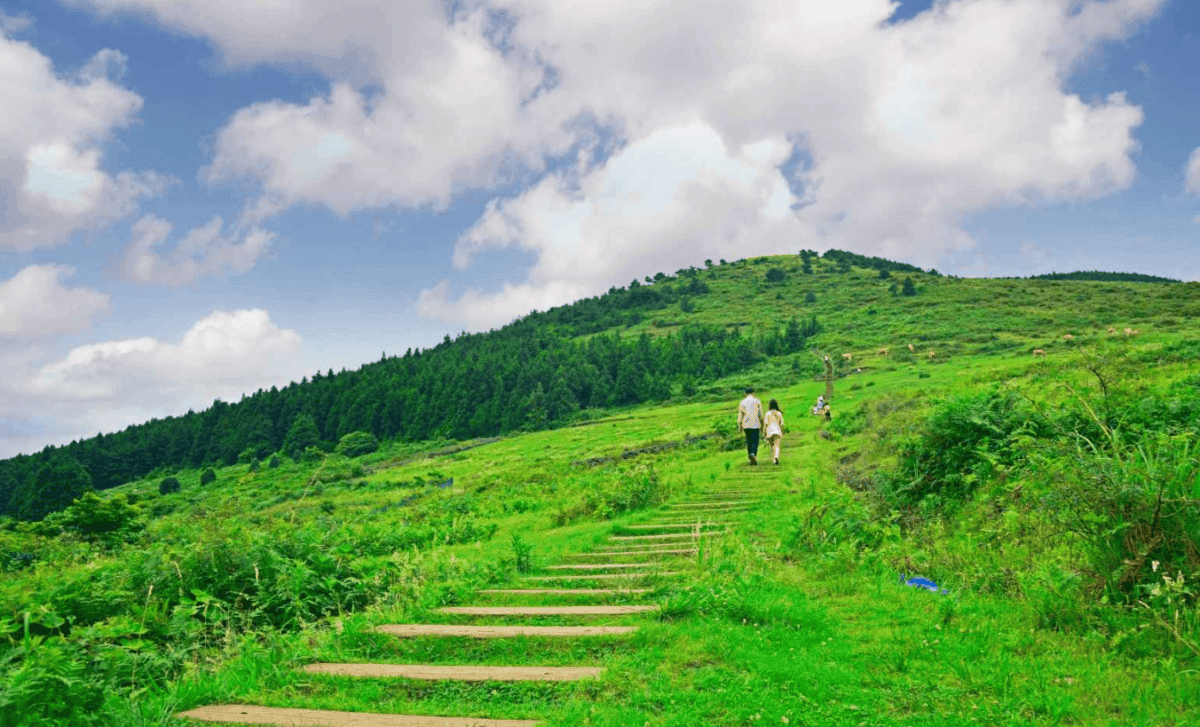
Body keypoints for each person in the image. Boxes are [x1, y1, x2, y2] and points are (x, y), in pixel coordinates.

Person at [737, 386, 765, 465]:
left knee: (748, 440)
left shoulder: (742, 402)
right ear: (753, 392)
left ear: (745, 393)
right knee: (755, 440)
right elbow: (760, 414)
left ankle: (750, 457)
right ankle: (753, 454)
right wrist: (762, 423)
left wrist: (740, 425)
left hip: (746, 424)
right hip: (755, 423)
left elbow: (740, 415)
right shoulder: (757, 401)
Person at [764, 399, 785, 465]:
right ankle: (776, 457)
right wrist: (782, 431)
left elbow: (766, 423)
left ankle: (774, 459)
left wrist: (764, 432)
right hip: (777, 430)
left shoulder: (768, 413)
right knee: (777, 445)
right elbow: (782, 424)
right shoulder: (779, 413)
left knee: (772, 446)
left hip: (769, 430)